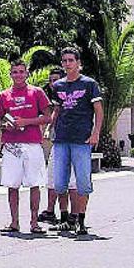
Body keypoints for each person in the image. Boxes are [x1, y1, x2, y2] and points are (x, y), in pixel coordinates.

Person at [0, 60, 52, 233]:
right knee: (12, 185)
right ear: (11, 74)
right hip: (11, 145)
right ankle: (14, 222)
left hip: (32, 143)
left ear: (27, 73)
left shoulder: (37, 92)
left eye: (21, 71)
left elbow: (47, 117)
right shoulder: (4, 95)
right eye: (15, 72)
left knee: (35, 184)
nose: (18, 75)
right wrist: (5, 125)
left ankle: (34, 222)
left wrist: (27, 121)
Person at [51, 47, 104, 235]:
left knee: (82, 183)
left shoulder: (89, 84)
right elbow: (57, 111)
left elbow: (98, 110)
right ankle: (65, 219)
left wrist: (96, 133)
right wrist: (49, 127)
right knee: (59, 183)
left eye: (70, 60)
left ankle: (81, 220)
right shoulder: (58, 86)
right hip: (61, 139)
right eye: (64, 61)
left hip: (82, 140)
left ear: (78, 62)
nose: (67, 64)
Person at [38, 68, 80, 226]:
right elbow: (54, 113)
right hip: (58, 142)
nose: (52, 83)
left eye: (56, 79)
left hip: (73, 143)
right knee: (54, 179)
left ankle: (75, 215)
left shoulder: (73, 95)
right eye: (50, 80)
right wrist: (49, 128)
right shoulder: (54, 98)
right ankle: (55, 213)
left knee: (72, 182)